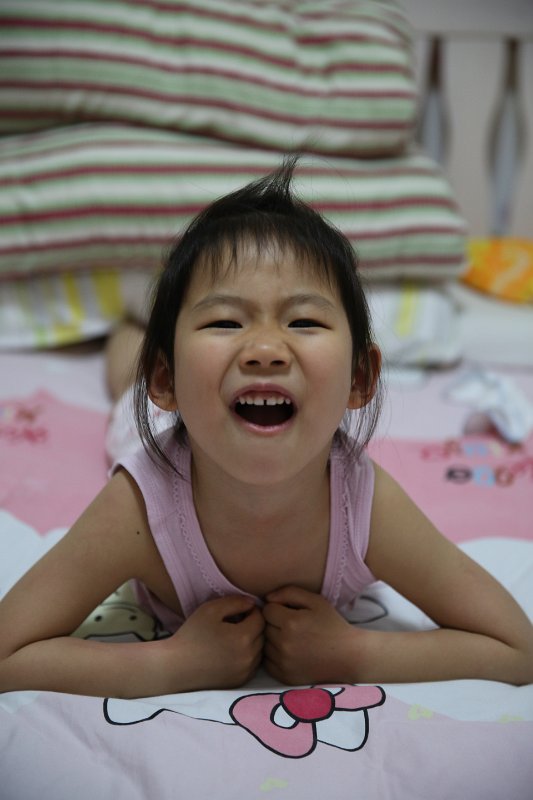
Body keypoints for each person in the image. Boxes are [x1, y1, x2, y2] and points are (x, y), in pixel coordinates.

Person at [0, 159, 532, 699]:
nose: (265, 350)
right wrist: (174, 663)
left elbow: (516, 646)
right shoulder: (138, 506)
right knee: (124, 387)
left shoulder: (364, 506)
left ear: (359, 378)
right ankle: (131, 333)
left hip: (206, 404)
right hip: (156, 430)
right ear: (165, 377)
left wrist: (352, 653)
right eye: (225, 322)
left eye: (303, 321)